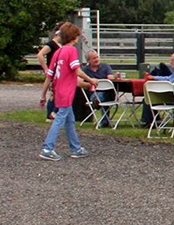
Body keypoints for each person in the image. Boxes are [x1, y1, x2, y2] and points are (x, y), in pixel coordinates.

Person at [38, 22, 96, 160]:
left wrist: (43, 94)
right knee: (59, 119)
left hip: (58, 92)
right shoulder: (71, 51)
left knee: (70, 120)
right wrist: (91, 80)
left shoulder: (57, 52)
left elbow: (49, 75)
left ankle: (75, 148)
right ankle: (47, 148)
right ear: (74, 37)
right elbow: (77, 70)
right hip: (67, 92)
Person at [141, 53, 174, 126]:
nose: (170, 62)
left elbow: (169, 80)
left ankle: (148, 121)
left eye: (172, 60)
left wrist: (154, 78)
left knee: (148, 99)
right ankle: (155, 119)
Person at [82, 50, 120, 126]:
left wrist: (115, 76)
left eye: (97, 57)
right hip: (93, 93)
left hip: (108, 93)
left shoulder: (105, 66)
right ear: (88, 60)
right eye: (94, 58)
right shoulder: (85, 70)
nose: (97, 60)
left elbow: (110, 77)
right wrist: (90, 84)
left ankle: (96, 102)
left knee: (103, 93)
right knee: (100, 96)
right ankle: (104, 122)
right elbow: (79, 82)